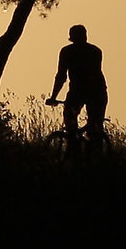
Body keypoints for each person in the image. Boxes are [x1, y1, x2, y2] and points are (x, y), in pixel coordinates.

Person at [47, 24, 107, 155]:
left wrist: (53, 97)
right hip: (96, 91)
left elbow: (61, 76)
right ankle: (93, 154)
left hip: (83, 91)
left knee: (72, 120)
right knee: (94, 126)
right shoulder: (95, 51)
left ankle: (75, 149)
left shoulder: (67, 52)